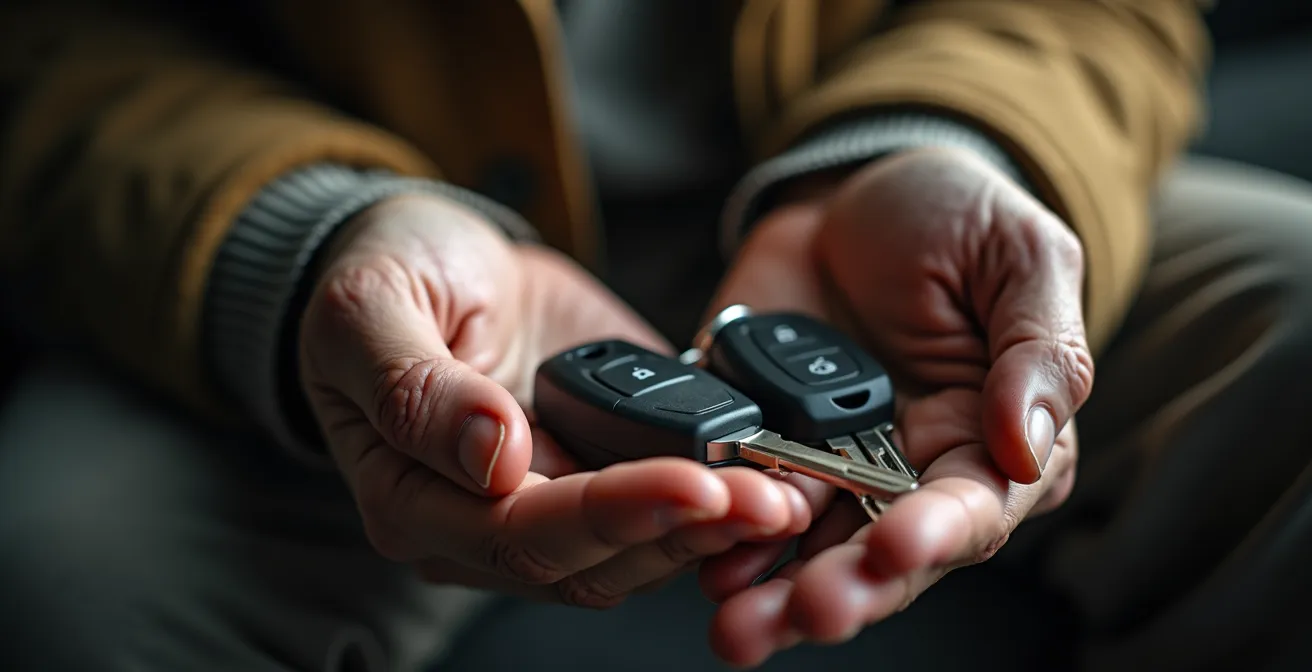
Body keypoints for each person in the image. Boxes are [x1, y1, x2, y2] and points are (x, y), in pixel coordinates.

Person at [1, 1, 1310, 670]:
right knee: (67, 557)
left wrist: (954, 139)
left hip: (862, 168)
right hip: (351, 218)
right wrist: (304, 239)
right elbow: (50, 40)